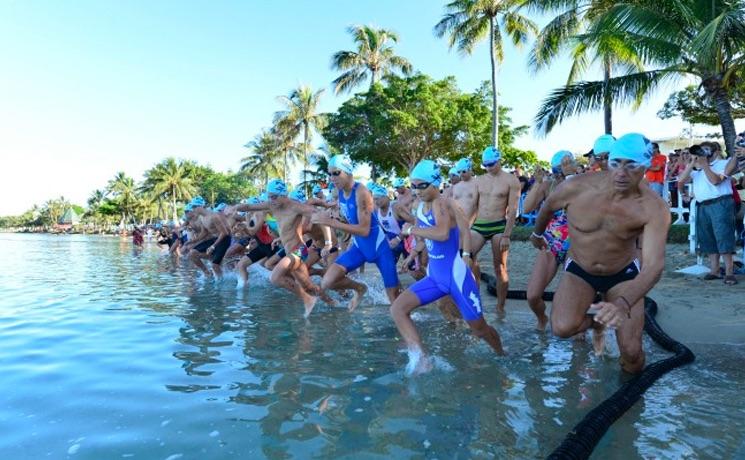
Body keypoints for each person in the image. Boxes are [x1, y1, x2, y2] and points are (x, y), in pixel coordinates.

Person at [530, 133, 670, 374]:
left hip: (623, 274)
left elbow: (653, 267)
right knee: (562, 328)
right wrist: (537, 233)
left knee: (632, 351)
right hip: (580, 269)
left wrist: (622, 304)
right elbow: (547, 207)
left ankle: (629, 396)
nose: (621, 173)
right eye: (616, 163)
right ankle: (597, 320)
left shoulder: (653, 208)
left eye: (632, 166)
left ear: (646, 167)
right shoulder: (576, 187)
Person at [390, 160, 504, 374]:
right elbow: (429, 236)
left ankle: (502, 355)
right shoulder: (420, 206)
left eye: (422, 185)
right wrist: (412, 254)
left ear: (435, 183)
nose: (417, 190)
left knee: (479, 330)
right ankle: (420, 357)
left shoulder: (442, 203)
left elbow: (443, 233)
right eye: (413, 185)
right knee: (398, 308)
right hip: (435, 276)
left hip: (456, 276)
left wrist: (467, 255)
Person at [311, 155, 401, 309]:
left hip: (379, 248)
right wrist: (332, 211)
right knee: (328, 281)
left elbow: (364, 230)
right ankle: (360, 288)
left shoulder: (361, 192)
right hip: (359, 248)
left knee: (395, 301)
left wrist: (331, 222)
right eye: (330, 174)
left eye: (336, 173)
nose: (332, 178)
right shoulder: (340, 192)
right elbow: (348, 213)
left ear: (348, 172)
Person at [237, 180, 333, 316]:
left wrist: (328, 242)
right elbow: (248, 206)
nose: (271, 200)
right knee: (309, 286)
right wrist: (235, 208)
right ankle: (333, 303)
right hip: (290, 252)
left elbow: (321, 217)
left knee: (275, 277)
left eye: (274, 196)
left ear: (284, 195)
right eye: (269, 196)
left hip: (300, 250)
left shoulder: (296, 207)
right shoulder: (272, 206)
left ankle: (308, 300)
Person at [522, 150, 578, 330]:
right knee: (532, 295)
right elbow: (527, 208)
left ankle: (580, 331)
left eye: (562, 173)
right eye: (556, 173)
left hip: (578, 244)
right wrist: (538, 184)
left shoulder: (582, 181)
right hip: (551, 243)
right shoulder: (549, 186)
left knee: (576, 297)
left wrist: (571, 176)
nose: (559, 177)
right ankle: (542, 319)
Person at [677, 141, 740, 285]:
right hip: (703, 205)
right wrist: (692, 163)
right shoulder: (697, 168)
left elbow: (716, 181)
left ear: (716, 151)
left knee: (723, 236)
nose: (702, 153)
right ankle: (715, 270)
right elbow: (680, 181)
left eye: (706, 149)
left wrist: (704, 164)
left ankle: (729, 272)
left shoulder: (724, 163)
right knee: (708, 238)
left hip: (721, 203)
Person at [470, 147, 521, 314]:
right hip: (479, 224)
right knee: (466, 257)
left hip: (499, 225)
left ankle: (500, 306)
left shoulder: (511, 180)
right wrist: (466, 227)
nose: (488, 168)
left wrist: (507, 234)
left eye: (491, 164)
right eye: (485, 165)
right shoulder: (478, 180)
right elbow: (472, 206)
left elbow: (513, 209)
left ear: (499, 161)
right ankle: (475, 291)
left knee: (499, 266)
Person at [184, 197, 233, 278]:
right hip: (214, 239)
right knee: (192, 253)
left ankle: (220, 282)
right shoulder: (202, 218)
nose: (193, 210)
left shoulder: (213, 216)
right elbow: (204, 232)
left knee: (215, 266)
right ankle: (207, 273)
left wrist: (213, 246)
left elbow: (225, 232)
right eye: (192, 208)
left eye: (194, 207)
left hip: (224, 239)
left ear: (200, 207)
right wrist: (192, 241)